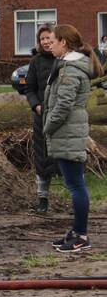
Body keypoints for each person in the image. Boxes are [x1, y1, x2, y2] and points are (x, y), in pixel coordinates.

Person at [44, 24, 102, 253]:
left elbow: (63, 104)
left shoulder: (70, 69)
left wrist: (48, 126)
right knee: (74, 183)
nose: (50, 44)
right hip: (69, 131)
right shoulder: (68, 66)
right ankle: (77, 232)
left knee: (76, 185)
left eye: (54, 40)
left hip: (68, 132)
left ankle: (81, 236)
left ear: (64, 43)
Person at [25, 25, 58, 214]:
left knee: (63, 158)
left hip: (61, 118)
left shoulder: (62, 60)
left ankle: (76, 197)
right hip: (41, 117)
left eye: (48, 38)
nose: (45, 42)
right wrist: (36, 105)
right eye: (42, 39)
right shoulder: (35, 62)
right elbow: (29, 88)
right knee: (42, 157)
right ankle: (42, 199)